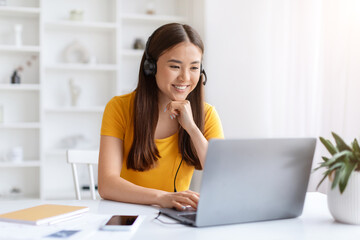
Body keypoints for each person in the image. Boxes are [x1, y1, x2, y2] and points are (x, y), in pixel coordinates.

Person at [98, 23, 224, 211]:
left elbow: (222, 176)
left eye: (194, 68)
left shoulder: (207, 114)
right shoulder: (119, 108)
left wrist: (192, 128)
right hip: (127, 213)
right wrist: (162, 197)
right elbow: (107, 184)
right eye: (175, 66)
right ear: (151, 67)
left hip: (176, 218)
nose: (185, 77)